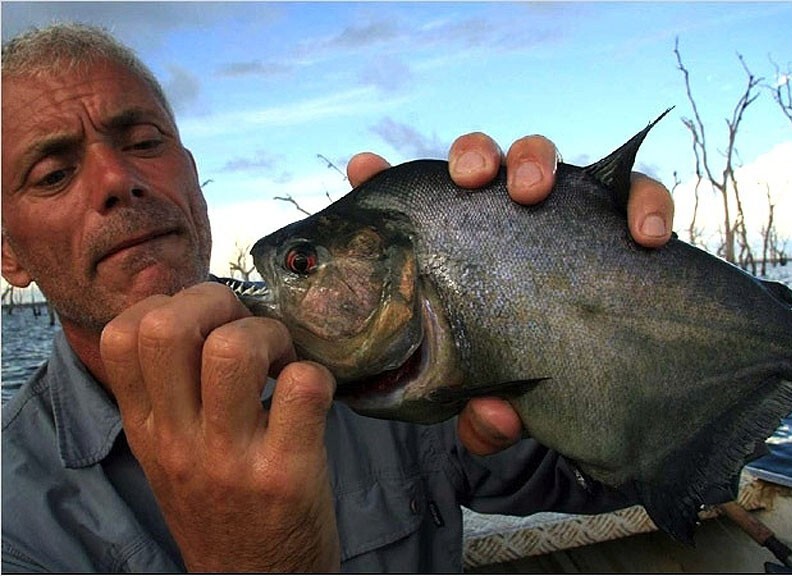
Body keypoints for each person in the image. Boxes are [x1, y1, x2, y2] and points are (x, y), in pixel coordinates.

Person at [1, 23, 674, 573]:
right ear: (9, 255)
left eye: (145, 142)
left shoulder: (375, 349)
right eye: (54, 173)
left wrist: (602, 290)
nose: (118, 178)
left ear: (194, 179)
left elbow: (623, 476)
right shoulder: (13, 521)